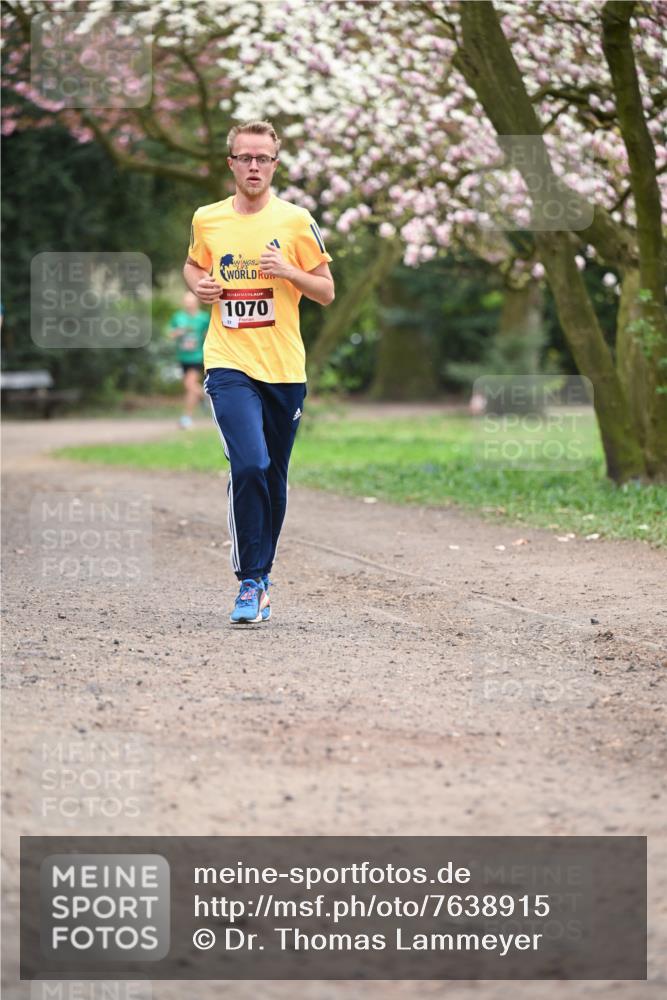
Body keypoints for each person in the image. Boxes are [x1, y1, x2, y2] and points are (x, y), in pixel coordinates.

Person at [183, 120, 334, 624]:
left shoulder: (296, 221)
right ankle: (249, 580)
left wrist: (288, 272)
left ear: (274, 163)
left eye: (262, 158)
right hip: (228, 361)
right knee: (247, 464)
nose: (253, 166)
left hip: (285, 368)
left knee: (273, 475)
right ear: (231, 163)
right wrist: (201, 285)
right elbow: (192, 265)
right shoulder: (207, 219)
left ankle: (263, 576)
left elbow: (326, 289)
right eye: (245, 157)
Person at [167, 291, 208, 429]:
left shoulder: (204, 318)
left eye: (191, 301)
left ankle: (187, 418)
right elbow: (170, 334)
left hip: (197, 357)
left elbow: (209, 335)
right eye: (186, 301)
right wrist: (178, 332)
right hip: (183, 357)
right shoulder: (178, 317)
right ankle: (202, 396)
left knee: (190, 385)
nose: (188, 303)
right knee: (189, 387)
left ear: (197, 302)